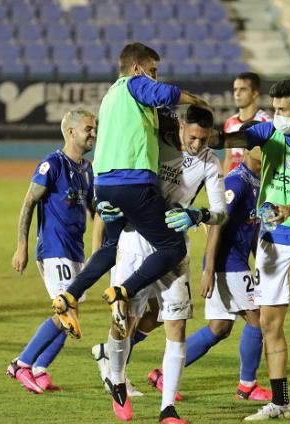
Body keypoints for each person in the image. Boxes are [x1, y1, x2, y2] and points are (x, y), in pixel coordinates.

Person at [51, 42, 208, 343]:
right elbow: (166, 95)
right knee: (172, 248)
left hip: (105, 185)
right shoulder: (134, 85)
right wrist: (195, 100)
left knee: (111, 246)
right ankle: (123, 291)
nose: (155, 77)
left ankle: (69, 296)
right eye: (153, 71)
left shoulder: (112, 96)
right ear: (136, 69)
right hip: (132, 183)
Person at [208, 78, 290, 421]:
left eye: (282, 110)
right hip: (271, 244)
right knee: (268, 323)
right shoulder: (268, 132)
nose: (276, 115)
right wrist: (206, 134)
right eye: (274, 108)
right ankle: (280, 402)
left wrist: (288, 210)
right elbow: (228, 139)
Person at [94, 105, 226, 424]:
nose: (197, 145)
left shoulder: (210, 162)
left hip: (174, 249)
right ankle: (118, 379)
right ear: (181, 126)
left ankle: (167, 409)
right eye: (193, 137)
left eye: (204, 139)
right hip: (135, 240)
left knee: (177, 325)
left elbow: (221, 211)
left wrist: (200, 214)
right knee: (124, 318)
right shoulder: (156, 144)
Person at [144, 146, 272, 403]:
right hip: (228, 262)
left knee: (219, 328)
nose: (267, 149)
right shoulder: (237, 181)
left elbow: (254, 227)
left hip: (237, 261)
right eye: (261, 145)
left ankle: (162, 375)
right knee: (259, 319)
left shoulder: (259, 181)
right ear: (247, 150)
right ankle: (247, 385)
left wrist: (260, 263)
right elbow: (215, 225)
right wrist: (209, 270)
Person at [6, 109, 96, 394]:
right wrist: (21, 246)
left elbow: (94, 210)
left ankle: (40, 368)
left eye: (94, 129)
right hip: (54, 248)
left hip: (75, 251)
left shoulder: (87, 168)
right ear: (70, 132)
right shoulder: (52, 164)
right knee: (64, 313)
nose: (93, 134)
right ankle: (21, 363)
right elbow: (29, 202)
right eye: (88, 129)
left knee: (72, 315)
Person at [223, 72, 270, 175]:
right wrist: (225, 183)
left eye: (243, 89)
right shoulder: (229, 123)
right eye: (235, 89)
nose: (237, 94)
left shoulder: (266, 123)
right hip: (235, 185)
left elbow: (270, 161)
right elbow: (229, 158)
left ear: (255, 93)